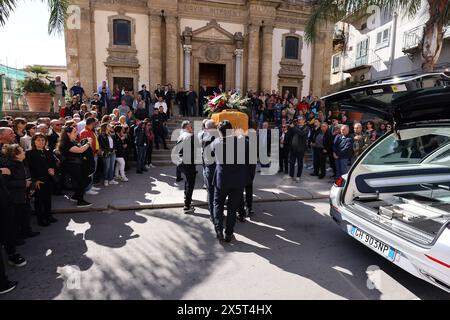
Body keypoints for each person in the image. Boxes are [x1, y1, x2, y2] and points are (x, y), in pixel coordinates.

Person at [212, 120, 249, 242]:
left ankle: (219, 230)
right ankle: (228, 233)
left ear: (220, 132)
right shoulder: (242, 142)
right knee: (232, 208)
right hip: (237, 180)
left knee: (218, 205)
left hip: (222, 179)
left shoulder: (216, 142)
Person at [2, 144, 40, 243]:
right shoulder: (10, 166)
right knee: (15, 218)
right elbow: (6, 183)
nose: (24, 152)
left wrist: (31, 185)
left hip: (24, 195)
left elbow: (27, 177)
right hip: (15, 197)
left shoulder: (22, 163)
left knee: (25, 214)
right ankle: (16, 238)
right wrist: (24, 183)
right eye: (22, 151)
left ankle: (26, 231)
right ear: (16, 154)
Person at [26, 133, 58, 226]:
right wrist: (34, 180)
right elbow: (28, 168)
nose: (41, 142)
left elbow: (53, 164)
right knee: (39, 201)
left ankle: (48, 216)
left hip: (49, 179)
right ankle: (41, 219)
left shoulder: (48, 151)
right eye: (38, 140)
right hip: (38, 180)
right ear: (34, 142)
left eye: (43, 140)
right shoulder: (29, 153)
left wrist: (53, 169)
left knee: (48, 199)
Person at [57, 125, 93, 207]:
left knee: (84, 181)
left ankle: (76, 196)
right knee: (80, 182)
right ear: (68, 133)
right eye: (74, 132)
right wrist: (88, 143)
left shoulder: (73, 141)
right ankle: (80, 201)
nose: (76, 133)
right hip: (72, 166)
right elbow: (80, 150)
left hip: (77, 165)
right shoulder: (66, 143)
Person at [176, 121, 197, 214]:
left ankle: (186, 198)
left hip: (181, 163)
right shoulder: (190, 136)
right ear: (186, 127)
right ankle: (187, 205)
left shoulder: (180, 136)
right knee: (190, 184)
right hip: (188, 163)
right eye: (190, 127)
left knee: (187, 181)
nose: (191, 128)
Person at [200, 120, 217, 220]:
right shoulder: (217, 138)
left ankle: (213, 214)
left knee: (211, 192)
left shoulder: (205, 137)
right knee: (214, 192)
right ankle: (215, 213)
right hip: (213, 167)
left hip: (208, 167)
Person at [79, 118, 100, 195]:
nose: (96, 125)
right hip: (90, 155)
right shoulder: (84, 132)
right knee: (89, 172)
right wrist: (93, 152)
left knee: (92, 171)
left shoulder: (90, 131)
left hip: (94, 154)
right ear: (92, 123)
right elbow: (84, 144)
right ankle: (87, 189)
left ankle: (90, 186)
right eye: (95, 123)